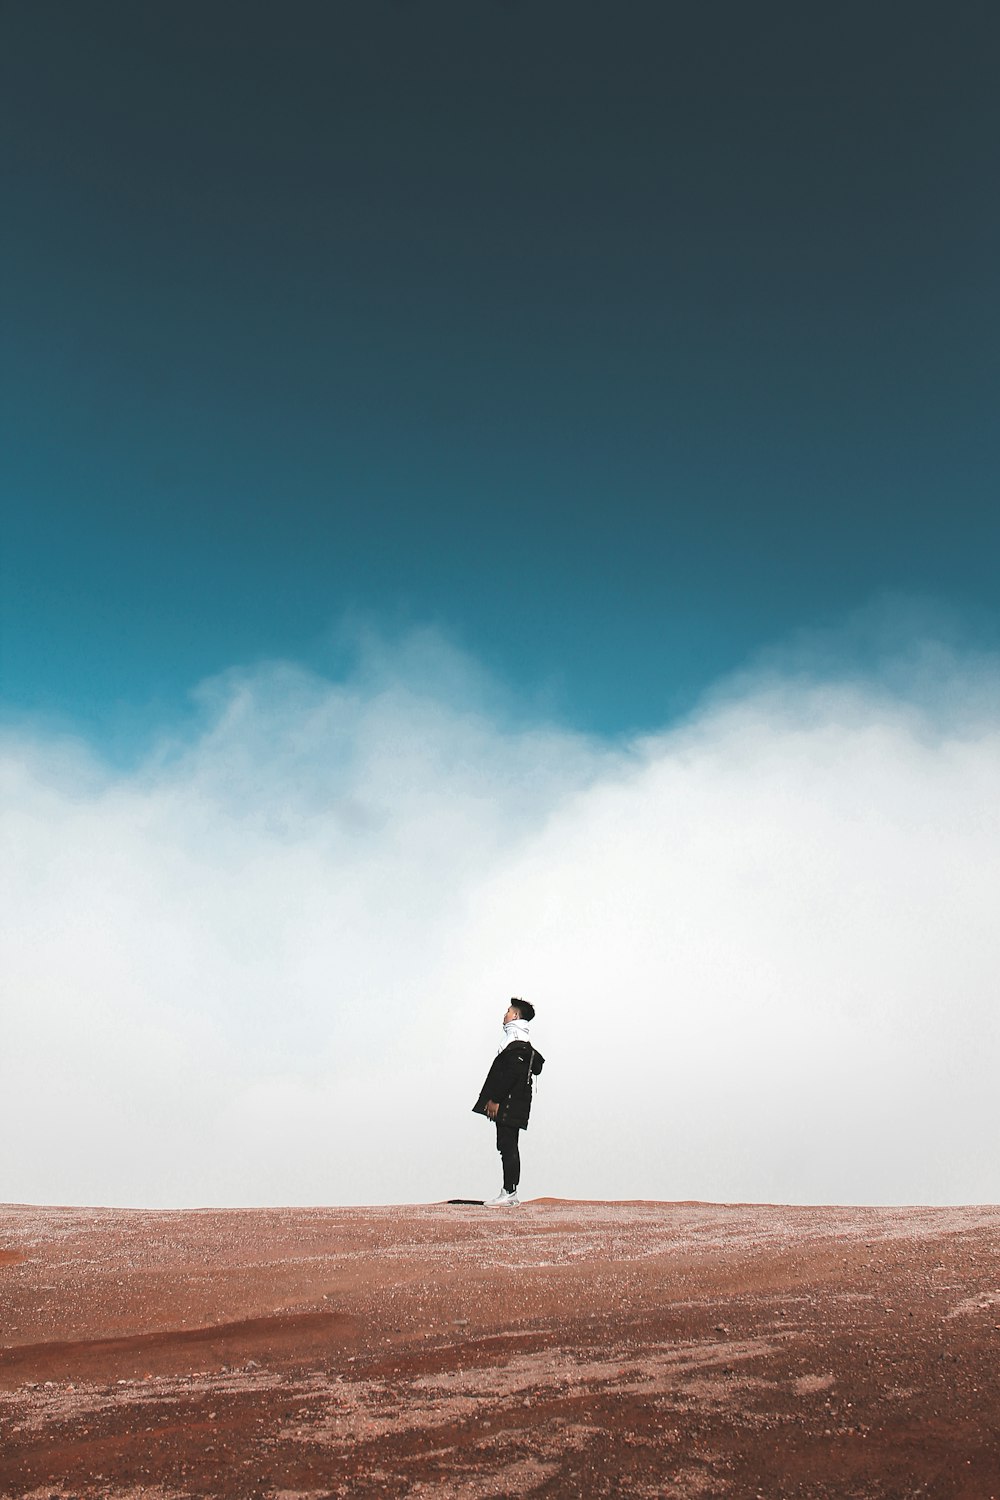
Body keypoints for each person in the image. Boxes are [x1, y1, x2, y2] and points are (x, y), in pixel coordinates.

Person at [472, 998, 545, 1207]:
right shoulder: (521, 1042)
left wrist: (494, 1100)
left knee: (508, 1146)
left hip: (510, 1103)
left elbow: (509, 1074)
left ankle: (509, 1192)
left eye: (508, 1011)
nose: (504, 1014)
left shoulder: (516, 1043)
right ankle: (509, 1191)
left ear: (515, 1016)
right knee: (508, 1145)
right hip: (515, 1102)